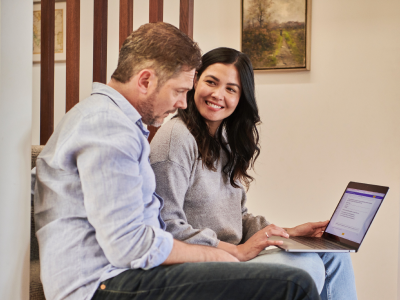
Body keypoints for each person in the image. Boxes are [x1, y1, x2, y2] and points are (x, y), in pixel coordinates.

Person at [33, 23, 321, 300]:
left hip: (124, 274)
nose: (183, 103)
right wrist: (222, 254)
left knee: (311, 264)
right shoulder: (108, 128)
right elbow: (129, 245)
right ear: (146, 80)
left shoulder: (114, 123)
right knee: (295, 284)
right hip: (103, 284)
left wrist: (272, 237)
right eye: (180, 91)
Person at [150, 47, 358, 300]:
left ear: (241, 98)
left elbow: (238, 217)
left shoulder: (224, 139)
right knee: (309, 266)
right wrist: (237, 251)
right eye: (211, 82)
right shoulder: (177, 138)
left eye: (231, 89)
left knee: (333, 255)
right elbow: (165, 226)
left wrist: (287, 232)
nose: (218, 94)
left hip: (234, 253)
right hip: (203, 262)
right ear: (195, 81)